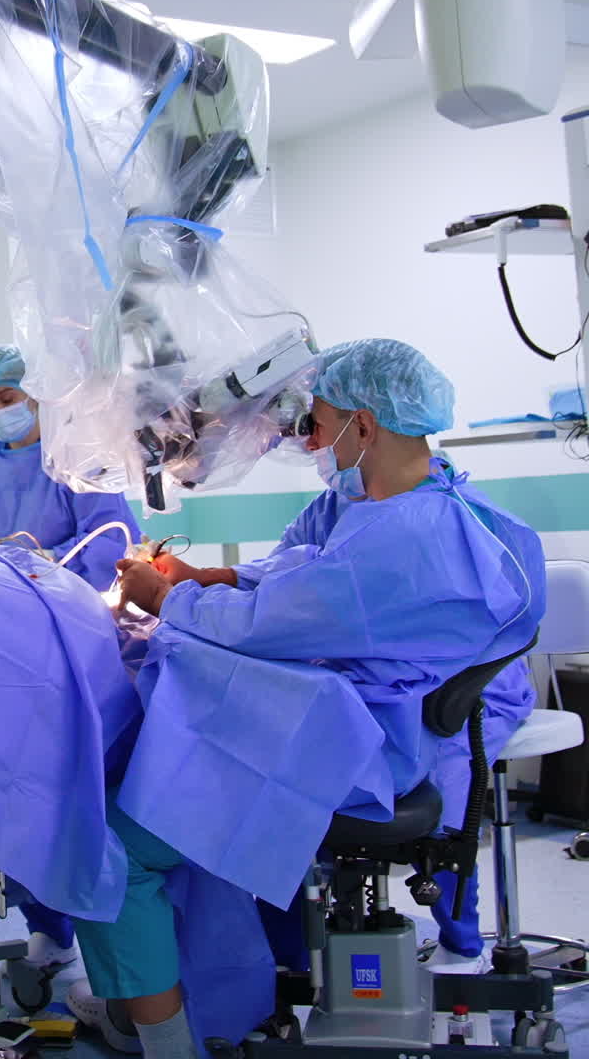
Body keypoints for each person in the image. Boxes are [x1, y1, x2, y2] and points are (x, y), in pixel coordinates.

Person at [65, 339, 544, 1058]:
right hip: (357, 728)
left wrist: (161, 595)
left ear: (366, 423)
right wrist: (203, 579)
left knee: (110, 847)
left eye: (318, 424)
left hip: (348, 755)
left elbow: (276, 621)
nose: (311, 439)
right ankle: (173, 995)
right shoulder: (420, 506)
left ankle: (161, 1039)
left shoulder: (403, 541)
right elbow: (295, 579)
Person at [0, 343, 141, 971]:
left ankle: (97, 919)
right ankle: (46, 924)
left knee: (78, 784)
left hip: (74, 646)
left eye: (9, 399)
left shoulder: (80, 461)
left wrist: (43, 563)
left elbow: (113, 542)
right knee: (8, 787)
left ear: (40, 397)